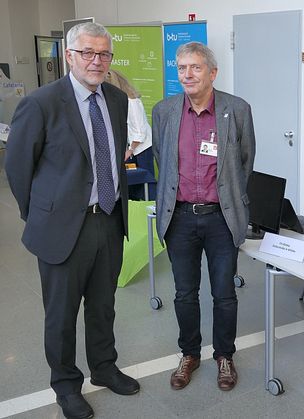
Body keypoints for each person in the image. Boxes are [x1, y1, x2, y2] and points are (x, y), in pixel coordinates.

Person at [5, 22, 139, 419]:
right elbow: (17, 168)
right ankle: (66, 385)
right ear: (69, 55)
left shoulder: (115, 99)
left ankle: (103, 367)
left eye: (104, 54)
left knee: (103, 305)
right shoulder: (42, 103)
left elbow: (115, 158)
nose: (97, 61)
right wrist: (42, 216)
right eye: (88, 53)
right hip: (63, 228)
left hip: (109, 220)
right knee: (61, 314)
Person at [151, 41, 255, 392]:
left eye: (195, 67)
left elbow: (245, 162)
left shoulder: (236, 109)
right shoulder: (164, 111)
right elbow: (162, 163)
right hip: (179, 218)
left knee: (224, 294)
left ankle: (224, 355)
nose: (187, 74)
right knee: (184, 293)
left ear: (213, 72)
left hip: (221, 218)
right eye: (181, 68)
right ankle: (190, 353)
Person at [105, 69, 154, 200]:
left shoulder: (132, 102)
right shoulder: (116, 102)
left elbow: (140, 131)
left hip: (141, 148)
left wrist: (130, 150)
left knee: (144, 183)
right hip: (130, 147)